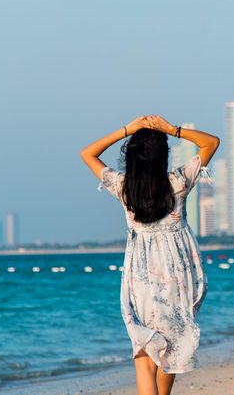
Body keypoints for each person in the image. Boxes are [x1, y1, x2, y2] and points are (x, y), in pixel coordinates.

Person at [80, 115, 220, 395]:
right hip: (177, 277)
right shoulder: (178, 183)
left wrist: (126, 130)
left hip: (141, 279)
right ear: (163, 157)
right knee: (172, 347)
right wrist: (172, 129)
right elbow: (212, 143)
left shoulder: (124, 188)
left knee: (145, 358)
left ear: (131, 158)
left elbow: (88, 153)